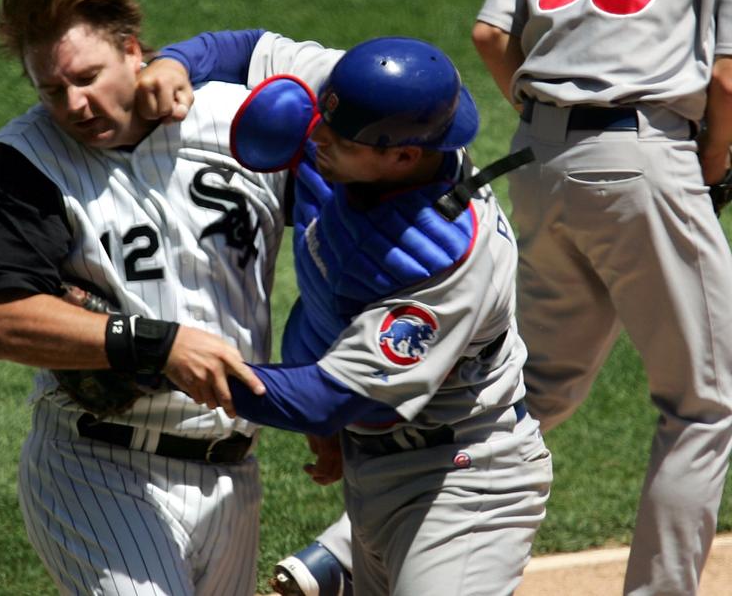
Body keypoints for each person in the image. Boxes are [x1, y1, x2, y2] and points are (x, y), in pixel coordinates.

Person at [140, 31, 554, 595]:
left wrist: (157, 358)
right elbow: (247, 46)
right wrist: (173, 63)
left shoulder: (446, 259)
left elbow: (327, 398)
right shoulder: (366, 100)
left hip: (463, 481)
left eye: (336, 137)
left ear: (403, 155)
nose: (316, 135)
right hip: (371, 471)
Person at [0, 0, 294, 594]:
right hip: (98, 469)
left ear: (134, 52)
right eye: (51, 89)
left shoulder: (233, 124)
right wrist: (158, 344)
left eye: (87, 78)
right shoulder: (29, 161)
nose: (74, 106)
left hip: (233, 468)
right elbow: (4, 321)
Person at [472, 0, 732, 593]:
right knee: (703, 406)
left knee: (537, 386)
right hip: (643, 161)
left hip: (538, 162)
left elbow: (488, 35)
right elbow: (726, 77)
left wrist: (548, 122)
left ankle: (344, 550)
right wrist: (715, 161)